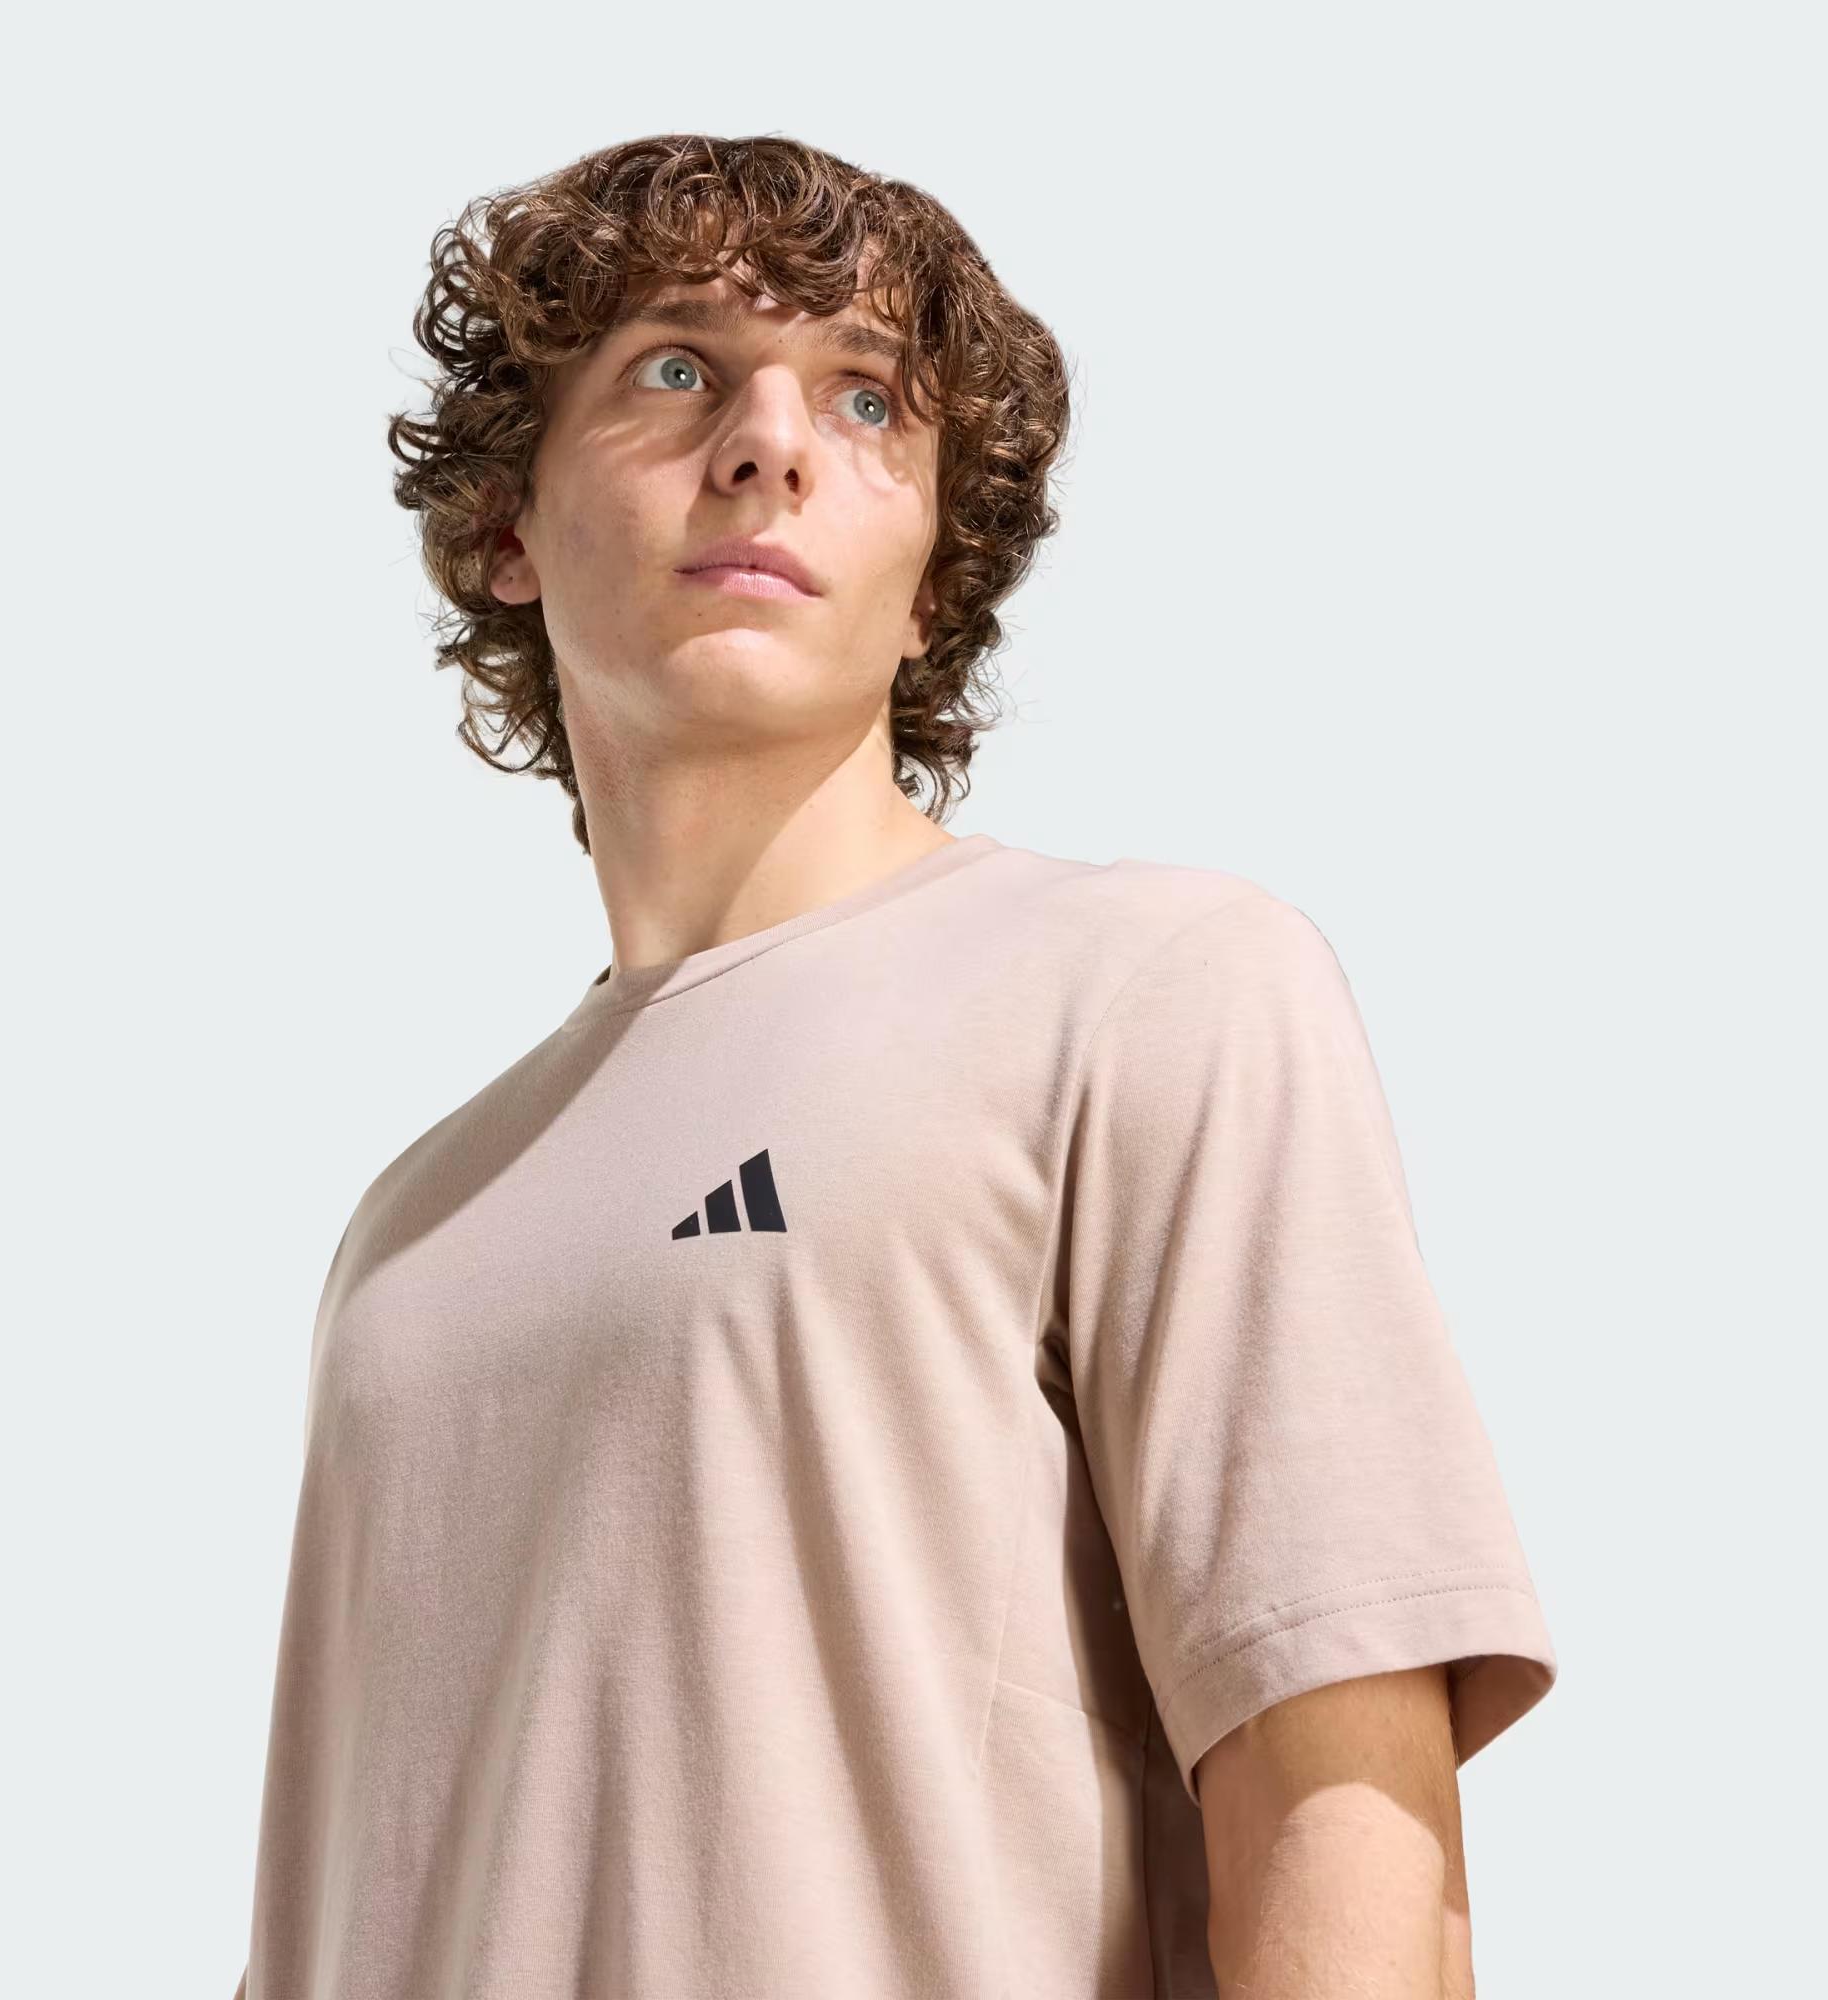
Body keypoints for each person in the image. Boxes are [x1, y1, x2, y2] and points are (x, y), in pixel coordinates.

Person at [232, 132, 1557, 1999]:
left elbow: (1340, 1791)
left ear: (933, 577)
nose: (768, 443)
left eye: (865, 400)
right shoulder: (412, 1231)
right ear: (505, 527)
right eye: (676, 368)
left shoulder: (1146, 991)